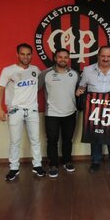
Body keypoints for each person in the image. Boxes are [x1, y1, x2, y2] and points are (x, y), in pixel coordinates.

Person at [0, 43, 46, 181]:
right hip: (15, 111)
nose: (25, 57)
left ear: (31, 55)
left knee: (35, 140)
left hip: (32, 110)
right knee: (15, 141)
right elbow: (0, 88)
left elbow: (43, 83)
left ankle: (37, 165)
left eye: (28, 54)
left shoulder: (36, 69)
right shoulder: (8, 70)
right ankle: (14, 168)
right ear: (17, 54)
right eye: (22, 54)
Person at [76, 45, 110, 174]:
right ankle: (95, 162)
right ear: (98, 56)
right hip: (94, 109)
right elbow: (82, 86)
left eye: (108, 56)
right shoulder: (87, 70)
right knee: (95, 136)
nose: (105, 58)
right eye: (103, 56)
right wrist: (80, 91)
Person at [38, 48, 79, 178]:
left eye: (65, 57)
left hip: (70, 113)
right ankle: (53, 165)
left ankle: (67, 162)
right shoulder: (45, 74)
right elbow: (32, 90)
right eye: (60, 57)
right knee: (52, 140)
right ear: (55, 58)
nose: (63, 59)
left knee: (68, 140)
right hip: (52, 114)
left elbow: (80, 91)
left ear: (68, 59)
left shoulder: (75, 74)